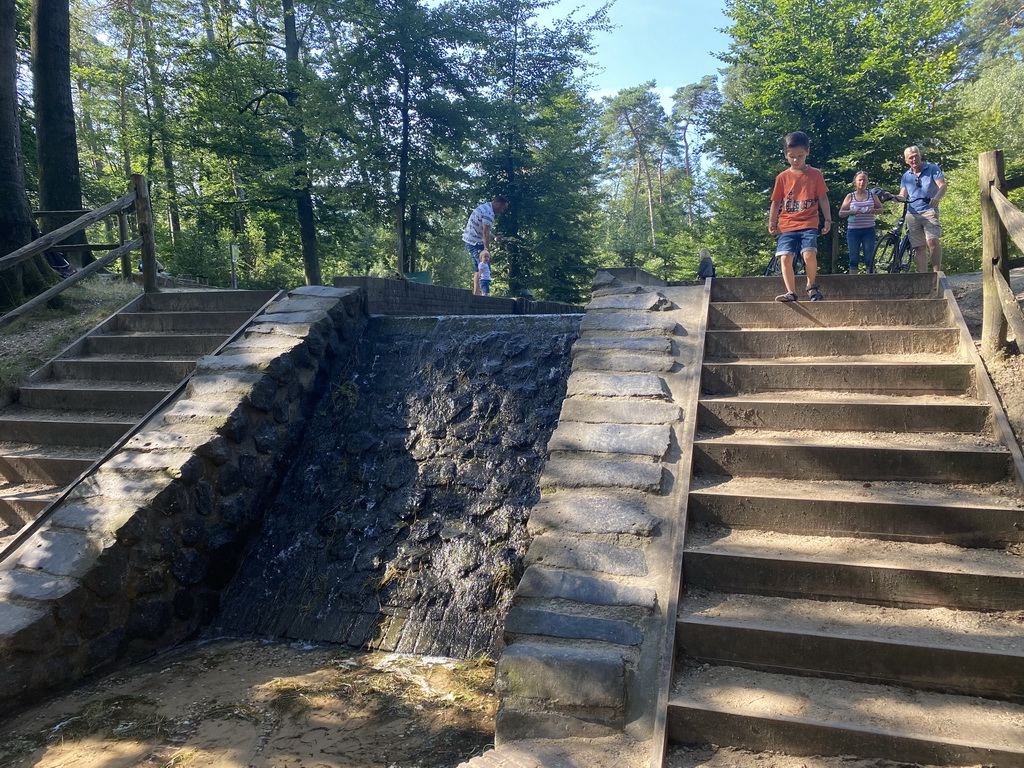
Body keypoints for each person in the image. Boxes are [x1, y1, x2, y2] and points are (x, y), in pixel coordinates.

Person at [768, 131, 831, 302]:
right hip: (787, 224)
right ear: (786, 155)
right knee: (785, 257)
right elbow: (776, 201)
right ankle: (791, 292)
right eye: (792, 156)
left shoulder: (815, 174)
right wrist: (771, 221)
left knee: (809, 254)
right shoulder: (782, 177)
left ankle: (811, 287)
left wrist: (827, 219)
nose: (796, 160)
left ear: (807, 152)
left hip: (809, 222)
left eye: (800, 156)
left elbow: (823, 198)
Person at [895, 146, 946, 273]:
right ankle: (923, 275)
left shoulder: (932, 169)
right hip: (912, 213)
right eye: (910, 157)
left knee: (932, 241)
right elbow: (902, 196)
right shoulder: (906, 176)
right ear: (906, 160)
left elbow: (942, 185)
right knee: (919, 246)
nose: (914, 159)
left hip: (929, 210)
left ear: (920, 155)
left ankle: (936, 273)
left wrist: (937, 198)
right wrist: (890, 197)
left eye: (915, 156)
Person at [462, 195, 508, 295]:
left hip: (469, 240)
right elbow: (485, 233)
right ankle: (485, 294)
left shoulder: (485, 207)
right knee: (484, 266)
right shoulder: (489, 213)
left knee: (479, 267)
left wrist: (494, 237)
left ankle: (476, 293)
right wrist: (487, 250)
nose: (502, 211)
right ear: (498, 204)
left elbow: (485, 230)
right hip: (475, 242)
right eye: (502, 208)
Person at [839, 171, 883, 273]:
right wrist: (851, 211)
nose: (862, 182)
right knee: (853, 258)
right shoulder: (850, 196)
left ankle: (870, 281)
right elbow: (841, 213)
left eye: (864, 180)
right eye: (860, 180)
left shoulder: (872, 196)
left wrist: (874, 211)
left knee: (869, 258)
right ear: (855, 182)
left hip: (868, 229)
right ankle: (853, 282)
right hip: (853, 230)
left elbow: (881, 209)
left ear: (867, 182)